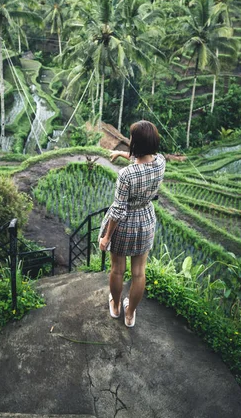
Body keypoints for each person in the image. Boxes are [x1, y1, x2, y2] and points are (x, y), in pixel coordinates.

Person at [99, 120, 166, 327]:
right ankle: (129, 315)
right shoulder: (161, 162)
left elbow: (118, 211)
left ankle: (116, 306)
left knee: (117, 270)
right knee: (139, 273)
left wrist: (106, 237)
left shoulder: (126, 175)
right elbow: (143, 159)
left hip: (125, 225)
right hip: (145, 220)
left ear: (135, 143)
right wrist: (120, 154)